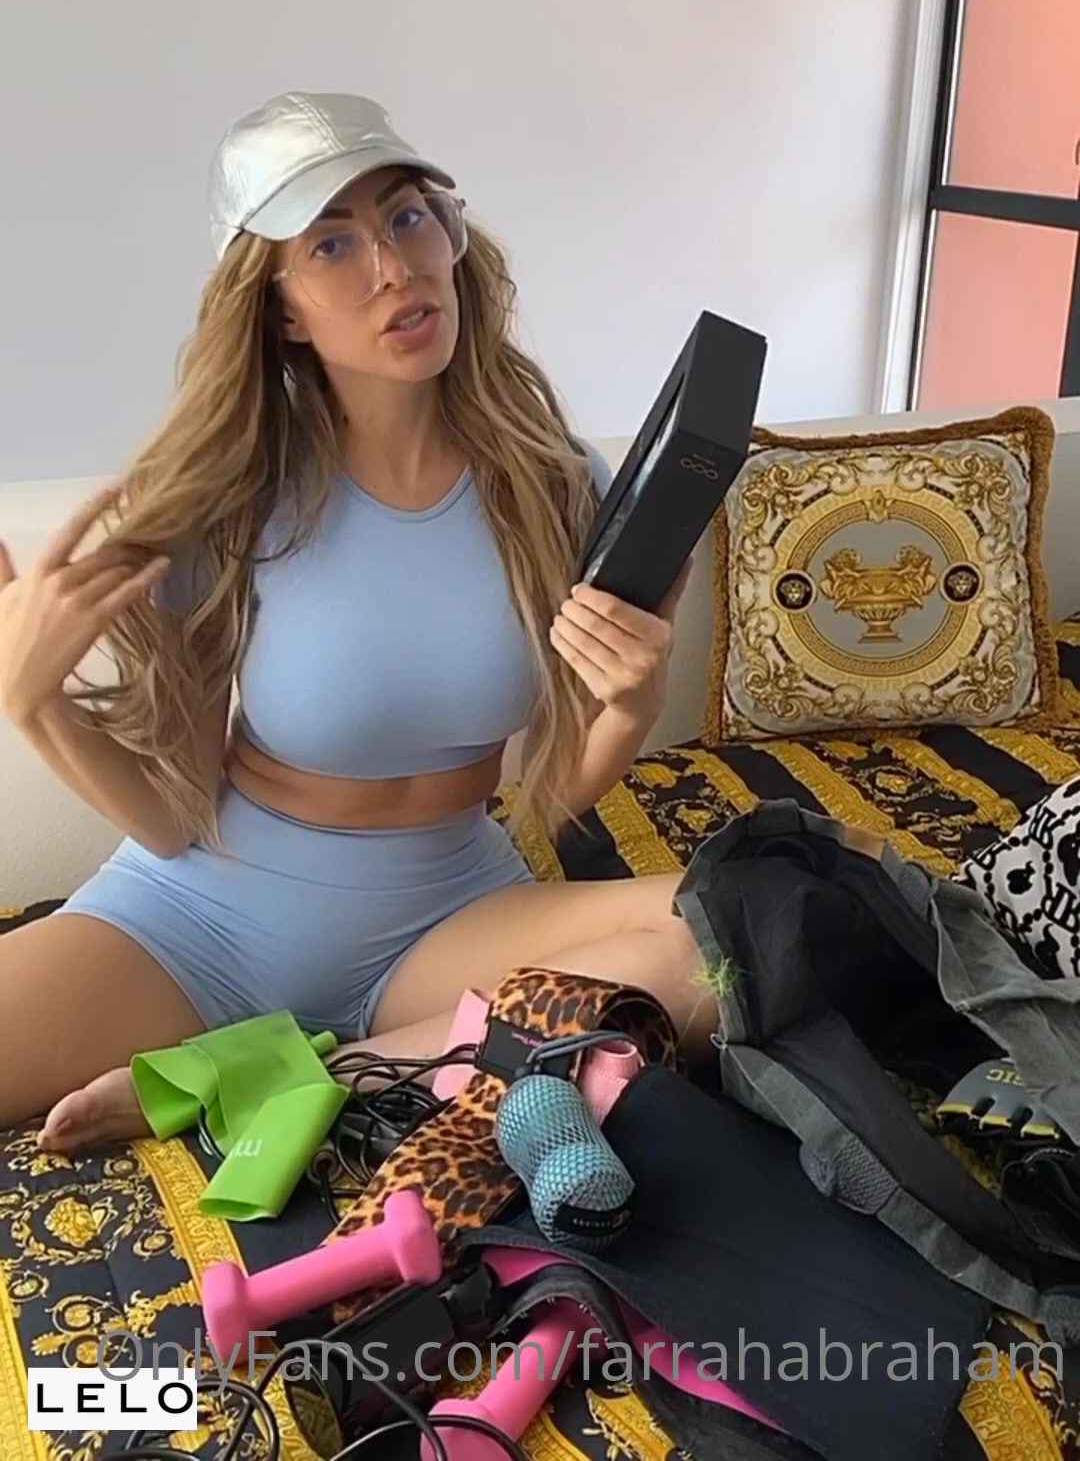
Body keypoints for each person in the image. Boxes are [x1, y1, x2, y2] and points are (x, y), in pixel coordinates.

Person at [0, 92, 714, 1153]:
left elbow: (543, 799)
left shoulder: (557, 484)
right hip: (201, 922)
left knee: (720, 945)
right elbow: (168, 818)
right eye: (331, 243)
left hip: (447, 915)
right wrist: (32, 701)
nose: (392, 268)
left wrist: (633, 704)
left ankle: (293, 1077)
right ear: (283, 308)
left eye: (407, 217)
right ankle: (400, 1053)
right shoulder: (221, 502)